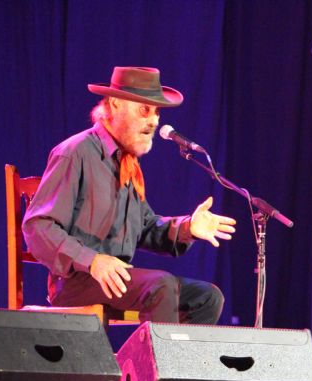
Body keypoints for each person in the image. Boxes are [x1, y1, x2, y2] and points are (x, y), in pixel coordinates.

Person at [23, 66, 236, 325]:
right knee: (160, 286)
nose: (155, 121)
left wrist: (188, 227)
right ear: (115, 104)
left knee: (207, 297)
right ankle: (153, 366)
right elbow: (38, 226)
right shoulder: (76, 152)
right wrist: (93, 261)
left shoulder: (127, 164)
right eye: (144, 110)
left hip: (116, 280)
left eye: (156, 112)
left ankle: (177, 366)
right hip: (75, 282)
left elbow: (145, 227)